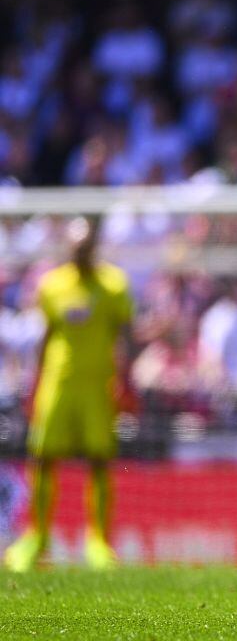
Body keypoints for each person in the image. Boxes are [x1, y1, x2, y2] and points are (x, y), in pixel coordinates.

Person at [4, 217, 134, 572]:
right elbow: (46, 337)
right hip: (57, 381)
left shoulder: (114, 285)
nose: (80, 253)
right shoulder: (52, 285)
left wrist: (126, 381)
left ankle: (98, 541)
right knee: (44, 456)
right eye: (75, 248)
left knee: (98, 459)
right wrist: (34, 384)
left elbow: (123, 337)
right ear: (68, 248)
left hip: (97, 383)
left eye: (85, 247)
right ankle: (37, 536)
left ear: (94, 247)